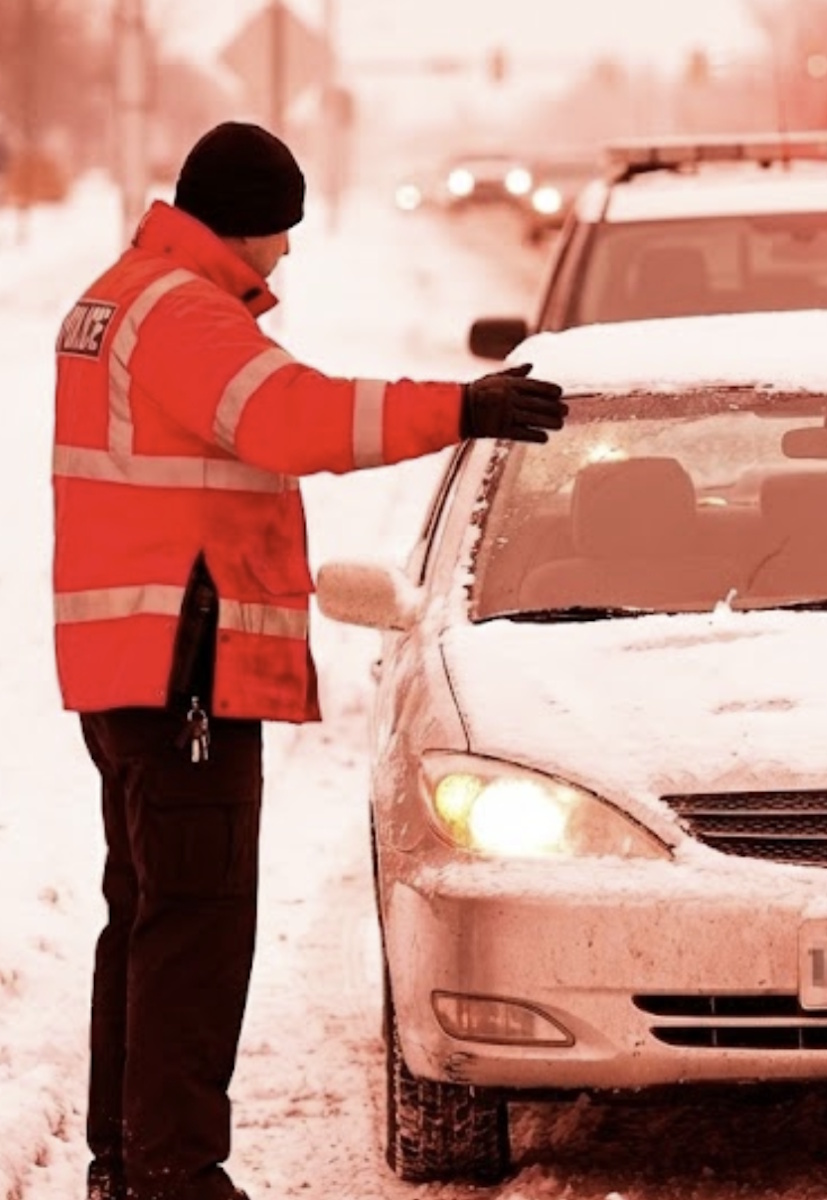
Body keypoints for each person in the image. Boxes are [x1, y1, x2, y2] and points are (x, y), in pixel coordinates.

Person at [52, 121, 568, 1200]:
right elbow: (293, 418)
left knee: (146, 926)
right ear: (243, 222)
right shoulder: (183, 310)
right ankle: (177, 1177)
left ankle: (126, 1163)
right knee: (193, 936)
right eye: (276, 236)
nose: (281, 259)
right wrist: (461, 407)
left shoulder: (116, 297)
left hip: (131, 667)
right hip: (181, 670)